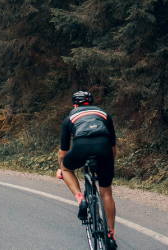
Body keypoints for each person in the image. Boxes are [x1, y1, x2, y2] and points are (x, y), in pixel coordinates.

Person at [56, 90, 117, 240]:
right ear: (91, 102)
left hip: (81, 147)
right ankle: (110, 233)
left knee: (66, 167)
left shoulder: (70, 118)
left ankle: (80, 198)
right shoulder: (104, 114)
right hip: (104, 149)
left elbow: (63, 152)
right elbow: (113, 147)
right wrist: (108, 162)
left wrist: (60, 168)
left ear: (74, 104)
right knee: (107, 193)